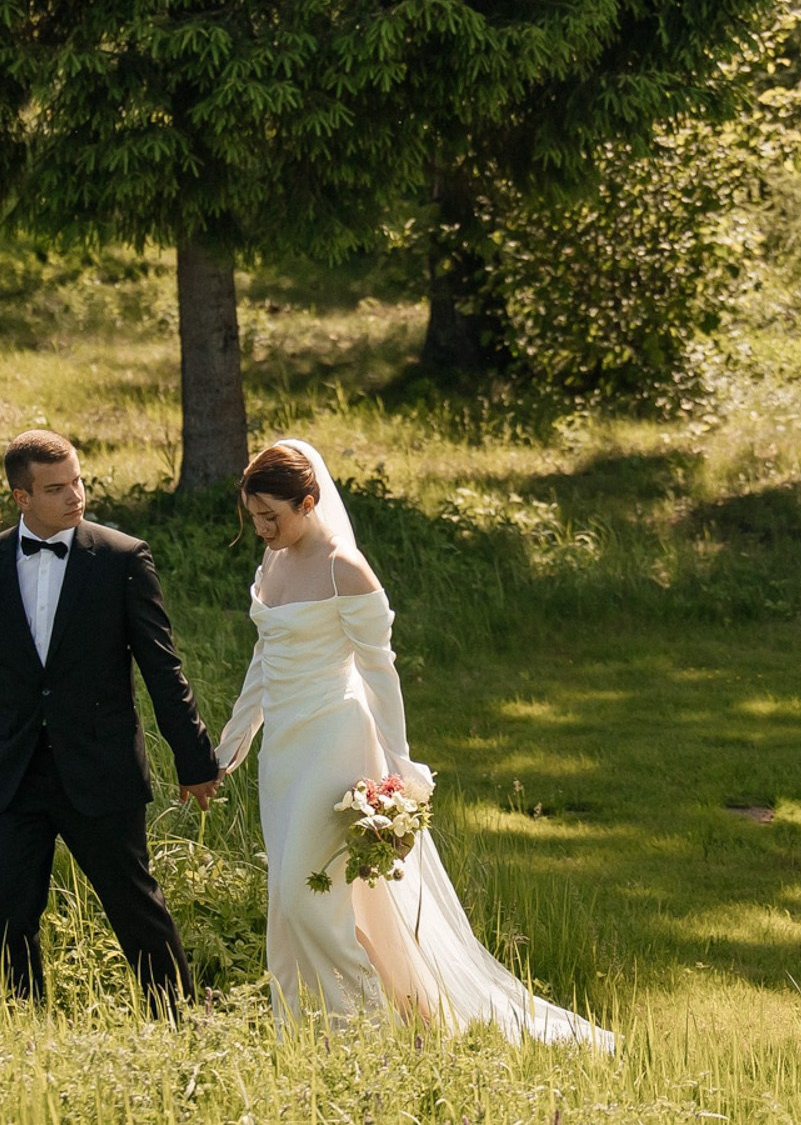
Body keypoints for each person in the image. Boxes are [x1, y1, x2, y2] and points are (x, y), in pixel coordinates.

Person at [216, 438, 612, 1048]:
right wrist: (232, 744)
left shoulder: (343, 567)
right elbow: (266, 657)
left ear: (310, 501)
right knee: (293, 900)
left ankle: (362, 1034)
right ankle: (306, 1032)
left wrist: (400, 767)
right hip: (284, 755)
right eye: (255, 517)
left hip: (335, 743)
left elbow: (379, 668)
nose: (263, 529)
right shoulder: (273, 561)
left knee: (305, 894)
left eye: (274, 516)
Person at [0, 429, 221, 1006]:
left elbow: (162, 667)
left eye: (78, 480)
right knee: (6, 909)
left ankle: (182, 1022)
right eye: (56, 488)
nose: (76, 495)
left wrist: (195, 759)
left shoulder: (123, 559)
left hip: (99, 766)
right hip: (15, 769)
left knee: (134, 907)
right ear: (21, 497)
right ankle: (22, 1032)